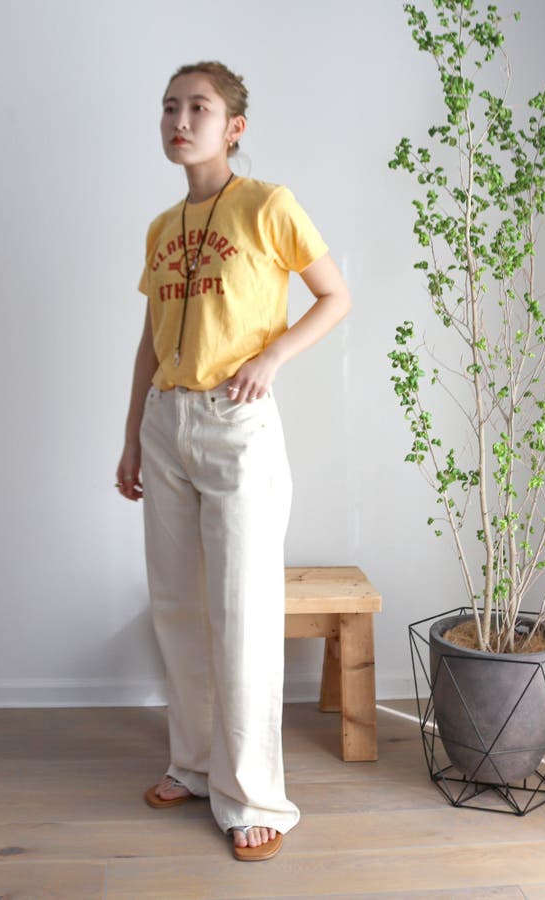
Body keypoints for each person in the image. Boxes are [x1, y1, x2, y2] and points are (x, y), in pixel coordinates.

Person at [116, 60, 351, 862]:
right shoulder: (161, 228)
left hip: (235, 424)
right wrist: (130, 436)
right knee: (178, 608)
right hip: (166, 425)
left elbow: (335, 295)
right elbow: (151, 340)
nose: (180, 120)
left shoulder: (267, 205)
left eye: (199, 107)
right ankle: (192, 763)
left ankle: (254, 798)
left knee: (242, 611)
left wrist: (273, 357)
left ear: (234, 126)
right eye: (169, 107)